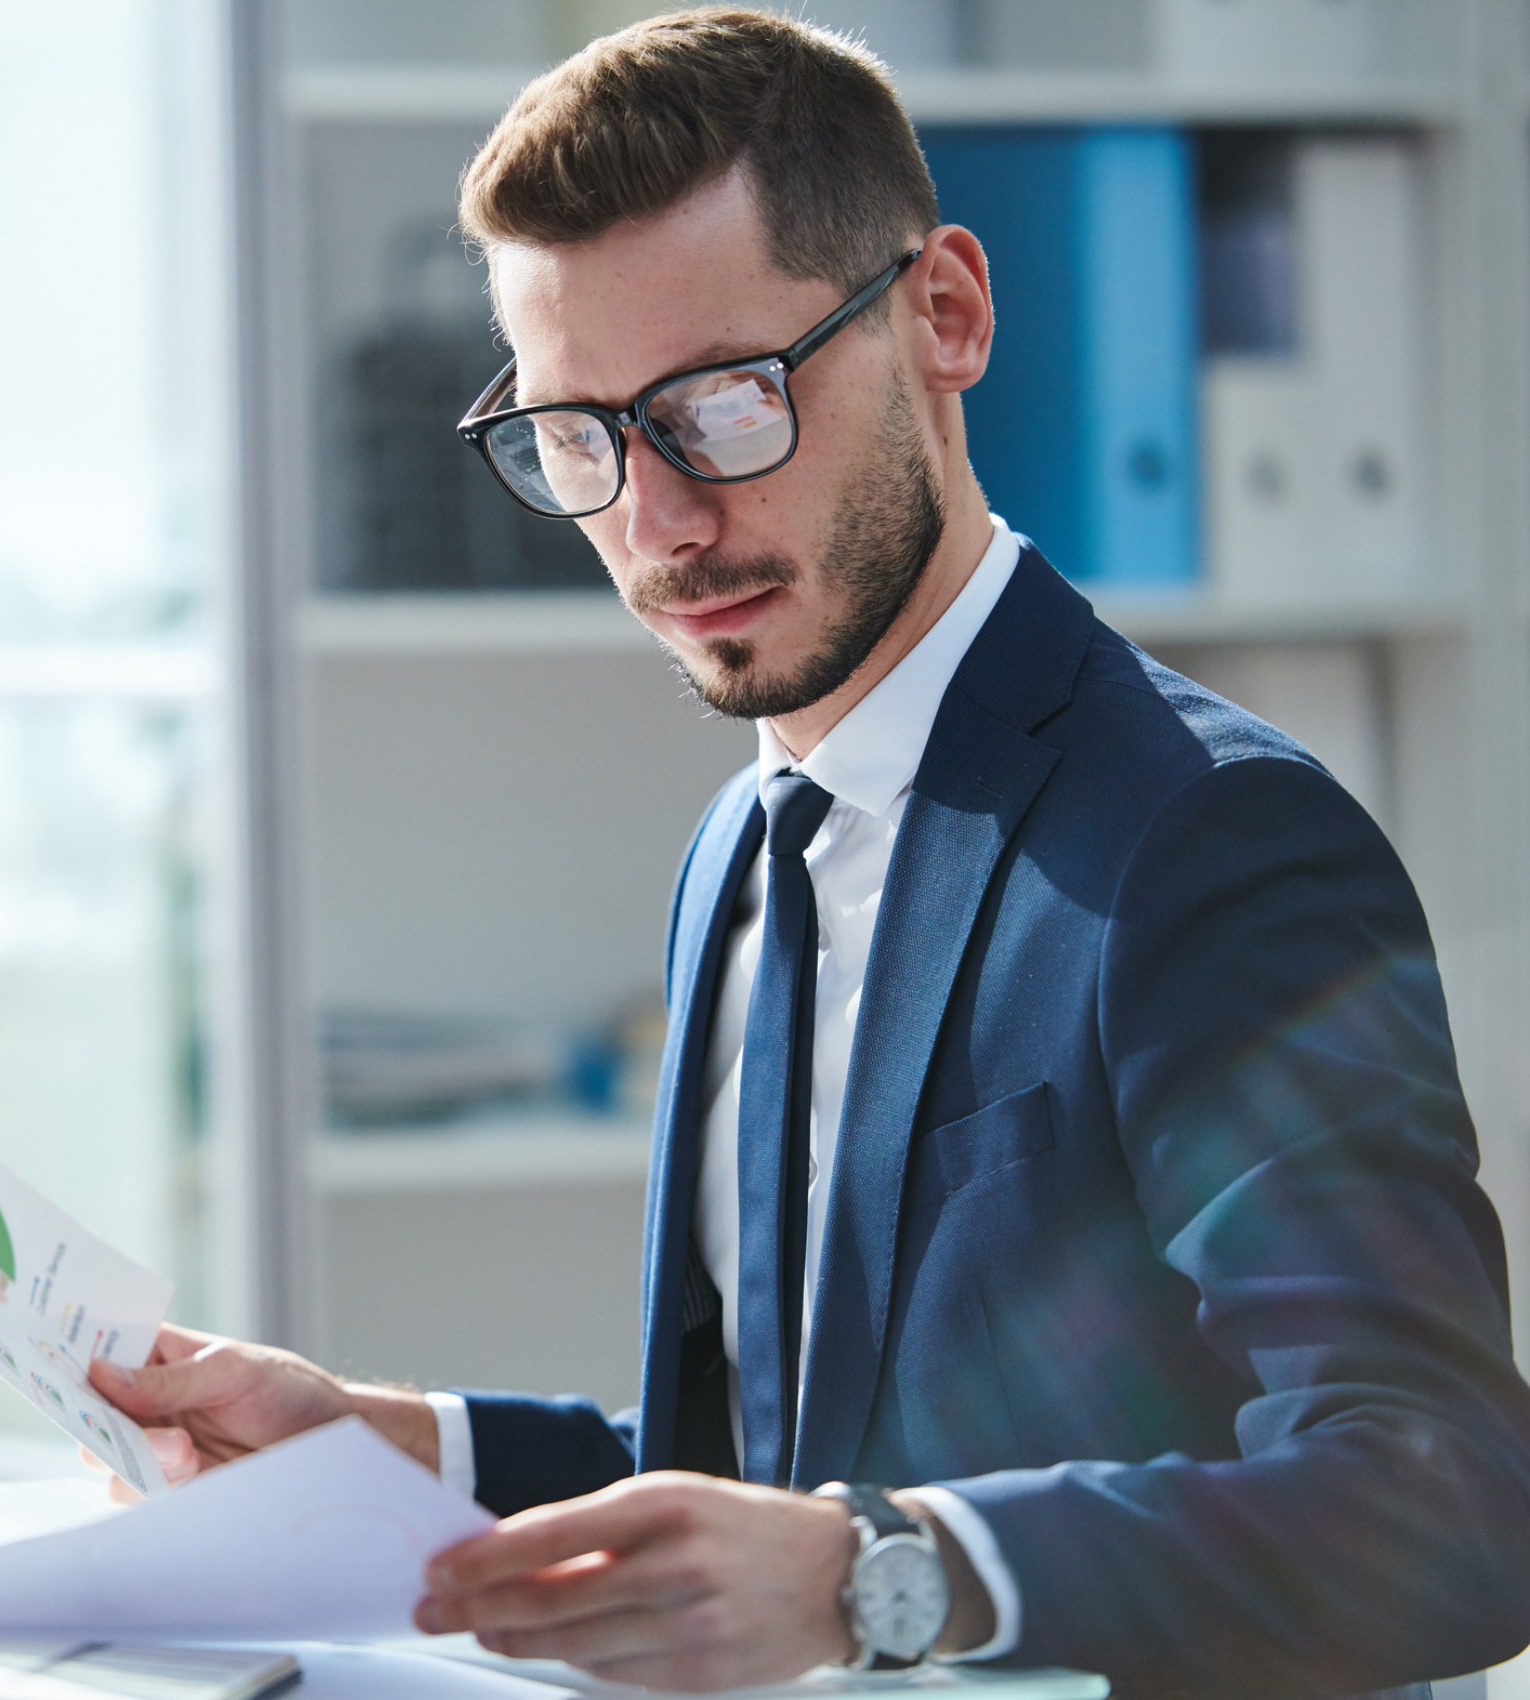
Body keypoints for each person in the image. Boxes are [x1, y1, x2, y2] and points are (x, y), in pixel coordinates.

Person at [86, 9, 1530, 1696]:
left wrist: (881, 1581)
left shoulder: (1208, 840)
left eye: (718, 401)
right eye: (580, 435)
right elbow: (790, 1473)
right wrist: (393, 1451)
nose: (659, 521)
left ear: (945, 315)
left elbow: (1444, 1505)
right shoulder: (744, 851)